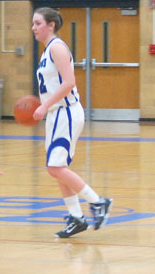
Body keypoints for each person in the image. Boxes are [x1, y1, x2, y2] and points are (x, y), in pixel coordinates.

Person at [31, 7, 113, 238]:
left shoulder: (57, 47)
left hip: (66, 112)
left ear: (51, 25)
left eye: (37, 23)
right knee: (57, 169)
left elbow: (69, 82)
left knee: (54, 167)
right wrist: (45, 105)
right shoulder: (47, 51)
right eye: (33, 24)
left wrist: (45, 105)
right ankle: (77, 217)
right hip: (56, 114)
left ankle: (98, 202)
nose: (34, 28)